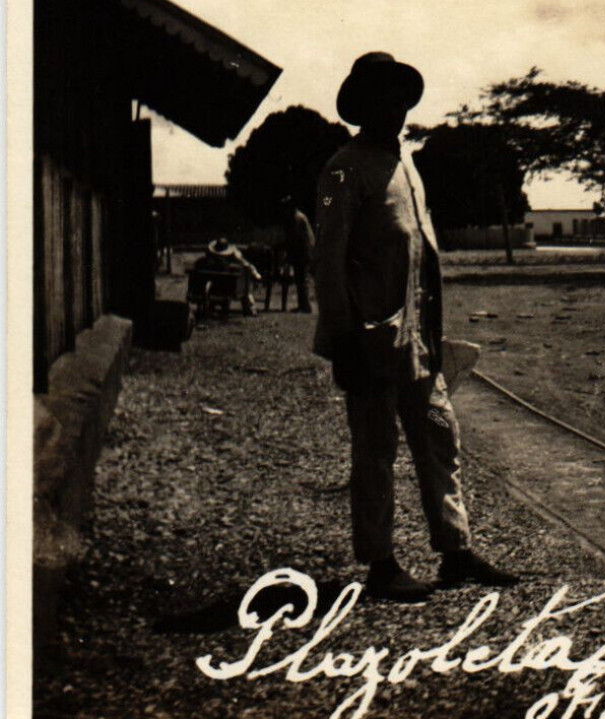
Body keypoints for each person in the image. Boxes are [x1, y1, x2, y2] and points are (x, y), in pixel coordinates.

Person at [312, 51, 518, 602]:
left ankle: (455, 551)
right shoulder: (341, 170)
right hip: (370, 345)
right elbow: (327, 261)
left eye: (400, 100)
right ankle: (380, 564)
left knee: (439, 438)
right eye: (382, 100)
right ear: (363, 108)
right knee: (375, 452)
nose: (394, 110)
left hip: (419, 346)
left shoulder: (407, 166)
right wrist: (343, 341)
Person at [197, 236, 262, 316]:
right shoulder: (210, 258)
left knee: (243, 282)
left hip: (224, 281)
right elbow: (245, 264)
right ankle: (251, 308)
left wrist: (254, 273)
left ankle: (250, 308)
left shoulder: (234, 255)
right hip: (220, 281)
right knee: (244, 285)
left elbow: (245, 263)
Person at [281, 196, 316, 312]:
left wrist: (289, 254)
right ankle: (303, 305)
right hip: (303, 251)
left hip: (304, 252)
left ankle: (305, 306)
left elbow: (295, 239)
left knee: (302, 279)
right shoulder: (297, 216)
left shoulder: (297, 218)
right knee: (300, 279)